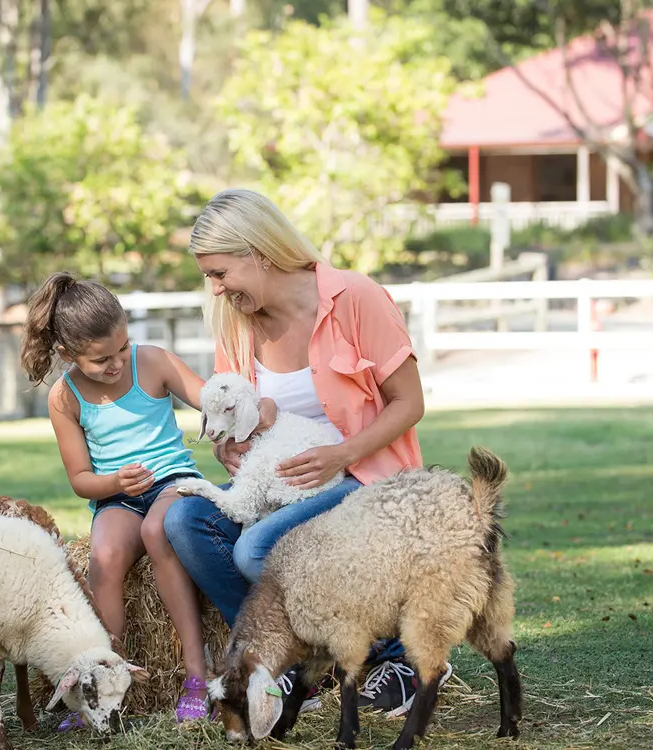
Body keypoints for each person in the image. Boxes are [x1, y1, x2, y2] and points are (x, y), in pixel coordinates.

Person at [163, 188, 452, 718]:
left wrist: (340, 454)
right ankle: (288, 663)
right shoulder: (237, 323)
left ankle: (396, 658)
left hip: (359, 479)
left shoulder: (354, 298)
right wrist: (235, 451)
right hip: (281, 486)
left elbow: (409, 403)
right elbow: (239, 418)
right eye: (209, 276)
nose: (216, 289)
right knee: (184, 521)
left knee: (254, 551)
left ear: (259, 252)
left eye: (220, 273)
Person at [21, 272, 212, 725]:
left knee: (158, 530)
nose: (117, 363)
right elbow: (81, 480)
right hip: (119, 495)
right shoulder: (64, 397)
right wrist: (115, 483)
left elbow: (210, 398)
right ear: (67, 354)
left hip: (173, 483)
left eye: (123, 348)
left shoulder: (154, 362)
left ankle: (197, 676)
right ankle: (107, 682)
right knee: (103, 559)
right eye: (101, 359)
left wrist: (246, 408)